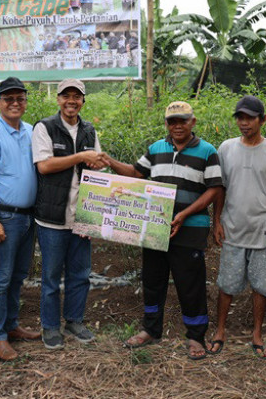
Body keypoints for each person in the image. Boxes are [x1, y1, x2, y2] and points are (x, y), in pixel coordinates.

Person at [105, 101, 223, 361]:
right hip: (155, 227)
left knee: (190, 284)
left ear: (192, 122)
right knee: (153, 280)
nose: (177, 126)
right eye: (172, 121)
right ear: (166, 124)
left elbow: (215, 189)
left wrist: (184, 213)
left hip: (190, 228)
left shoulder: (207, 151)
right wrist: (109, 161)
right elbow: (136, 173)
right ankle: (151, 330)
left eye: (182, 120)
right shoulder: (156, 149)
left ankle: (195, 336)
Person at [210, 95, 266, 360]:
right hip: (233, 227)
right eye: (240, 118)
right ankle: (220, 330)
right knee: (227, 284)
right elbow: (219, 187)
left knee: (261, 286)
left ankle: (257, 334)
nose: (244, 123)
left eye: (250, 118)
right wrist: (217, 220)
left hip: (264, 230)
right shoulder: (226, 148)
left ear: (263, 120)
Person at [32, 78, 105, 350]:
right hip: (52, 217)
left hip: (82, 215)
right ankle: (50, 326)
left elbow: (95, 165)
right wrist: (79, 157)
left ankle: (74, 320)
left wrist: (102, 165)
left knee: (80, 272)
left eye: (77, 96)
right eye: (66, 96)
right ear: (58, 100)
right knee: (51, 275)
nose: (71, 101)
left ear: (83, 101)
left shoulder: (88, 129)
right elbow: (45, 166)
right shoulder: (45, 127)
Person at [0, 77, 41, 362]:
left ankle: (12, 325)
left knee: (17, 275)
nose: (15, 103)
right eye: (9, 98)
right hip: (4, 217)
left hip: (28, 218)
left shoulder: (31, 131)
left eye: (20, 98)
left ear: (26, 102)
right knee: (0, 278)